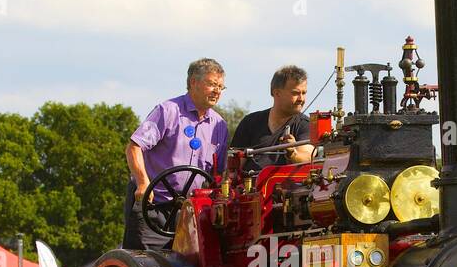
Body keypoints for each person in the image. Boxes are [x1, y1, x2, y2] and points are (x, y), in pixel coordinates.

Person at [123, 58, 230, 250]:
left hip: (190, 212)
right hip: (153, 205)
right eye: (212, 84)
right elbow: (134, 147)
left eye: (221, 87)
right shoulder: (168, 111)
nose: (217, 91)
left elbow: (219, 175)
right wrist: (142, 182)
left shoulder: (219, 126)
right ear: (193, 83)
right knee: (146, 266)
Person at [230, 65, 314, 169]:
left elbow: (308, 156)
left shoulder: (306, 125)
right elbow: (234, 165)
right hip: (249, 184)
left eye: (304, 93)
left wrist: (293, 153)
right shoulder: (250, 122)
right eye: (295, 93)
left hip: (288, 185)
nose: (301, 98)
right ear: (277, 93)